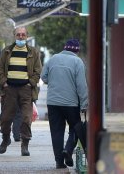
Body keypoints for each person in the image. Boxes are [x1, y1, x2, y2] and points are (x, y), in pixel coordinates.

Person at [41, 39, 88, 169]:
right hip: (71, 103)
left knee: (56, 131)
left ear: (65, 48)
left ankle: (59, 162)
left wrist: (56, 81)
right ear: (76, 50)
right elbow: (81, 86)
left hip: (53, 103)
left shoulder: (53, 59)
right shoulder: (77, 62)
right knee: (75, 128)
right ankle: (68, 150)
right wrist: (84, 104)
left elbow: (43, 77)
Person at [0, 26, 42, 156]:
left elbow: (38, 70)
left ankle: (25, 145)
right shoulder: (6, 51)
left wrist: (30, 83)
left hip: (26, 90)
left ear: (27, 36)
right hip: (9, 89)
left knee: (27, 118)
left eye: (23, 35)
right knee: (5, 118)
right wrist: (4, 82)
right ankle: (5, 139)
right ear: (14, 36)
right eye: (18, 35)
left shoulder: (33, 52)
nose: (20, 37)